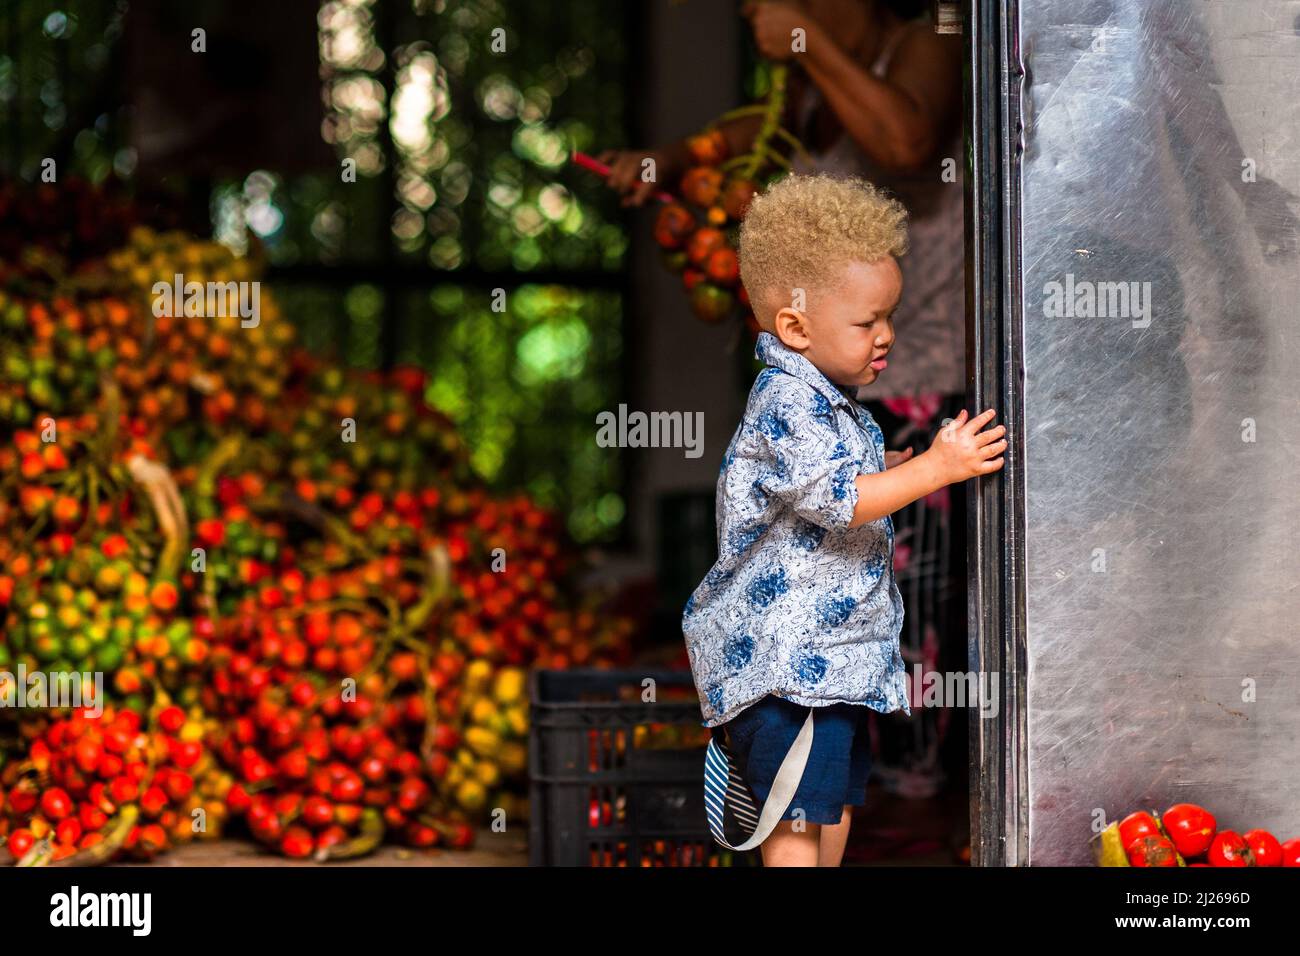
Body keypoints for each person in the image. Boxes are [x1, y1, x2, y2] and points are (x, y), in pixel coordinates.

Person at [603, 0, 969, 804]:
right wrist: (659, 163)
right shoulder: (791, 401)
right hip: (792, 653)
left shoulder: (929, 42)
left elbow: (906, 139)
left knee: (924, 610)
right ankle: (903, 792)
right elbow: (723, 145)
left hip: (930, 371)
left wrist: (807, 40)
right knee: (807, 797)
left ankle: (915, 788)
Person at [681, 174, 1004, 866]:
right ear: (795, 327)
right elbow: (840, 500)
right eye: (867, 322)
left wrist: (893, 461)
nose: (887, 335)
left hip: (834, 665)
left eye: (889, 315)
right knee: (796, 820)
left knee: (831, 808)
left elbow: (840, 480)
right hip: (788, 667)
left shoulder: (832, 404)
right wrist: (936, 469)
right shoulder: (786, 401)